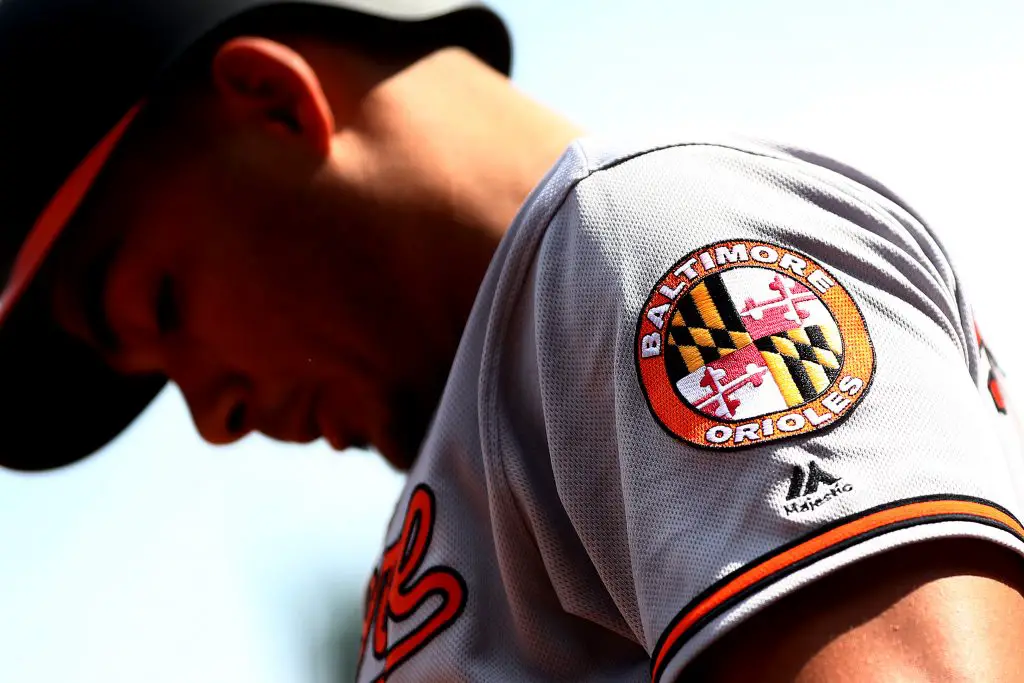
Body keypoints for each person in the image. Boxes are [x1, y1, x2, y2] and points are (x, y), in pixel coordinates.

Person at [2, 0, 1024, 680]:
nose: (215, 419)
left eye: (161, 307)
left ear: (273, 101)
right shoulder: (533, 384)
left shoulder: (641, 247)